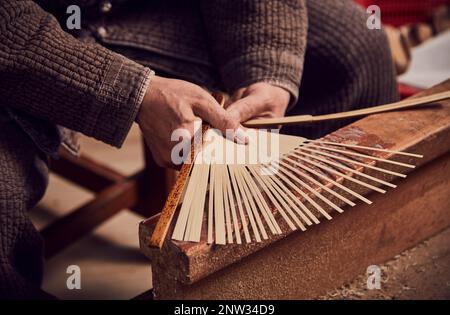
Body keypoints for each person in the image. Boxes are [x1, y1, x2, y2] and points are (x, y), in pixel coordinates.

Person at [0, 0, 398, 298]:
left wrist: (268, 68)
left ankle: (325, 264)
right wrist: (131, 95)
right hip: (21, 39)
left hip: (142, 10)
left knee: (356, 44)